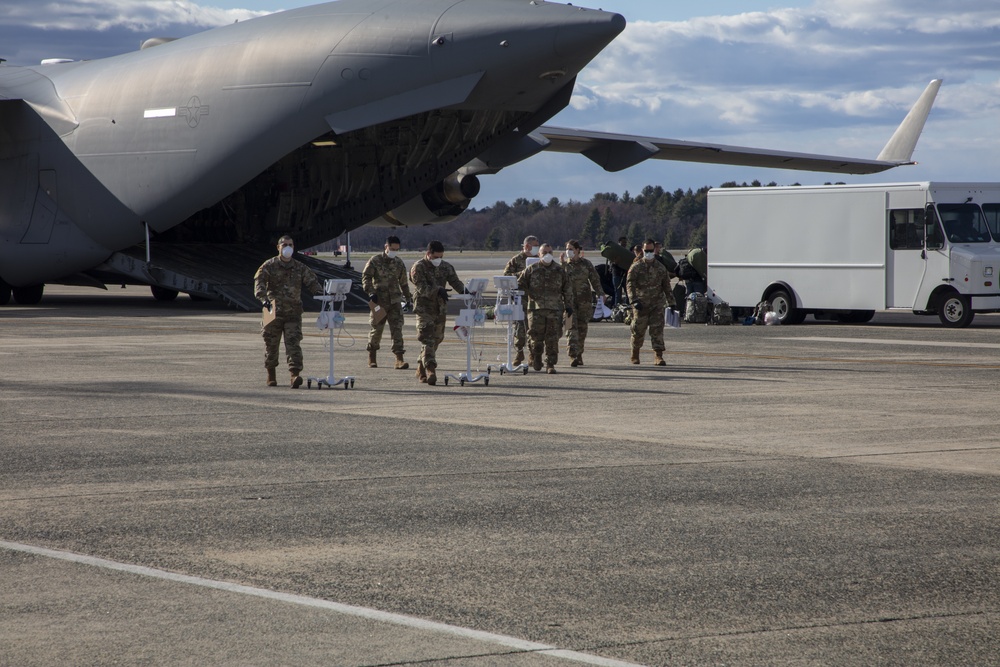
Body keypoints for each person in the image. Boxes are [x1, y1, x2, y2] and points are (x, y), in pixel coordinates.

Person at [253, 235, 323, 387]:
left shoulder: (299, 266)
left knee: (293, 344)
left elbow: (311, 280)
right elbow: (259, 282)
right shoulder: (269, 265)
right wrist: (263, 298)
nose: (288, 247)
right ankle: (271, 375)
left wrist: (318, 291)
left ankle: (295, 375)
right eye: (284, 244)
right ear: (278, 247)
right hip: (273, 311)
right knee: (271, 345)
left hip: (293, 313)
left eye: (290, 244)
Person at [409, 240, 466, 385]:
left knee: (437, 339)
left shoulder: (446, 266)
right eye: (435, 257)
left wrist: (466, 292)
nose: (438, 260)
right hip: (424, 308)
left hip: (440, 308)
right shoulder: (418, 267)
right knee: (426, 337)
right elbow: (421, 287)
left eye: (440, 257)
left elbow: (455, 282)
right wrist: (437, 290)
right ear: (428, 254)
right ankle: (431, 370)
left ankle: (420, 368)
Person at [517, 243, 573, 374]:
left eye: (549, 252)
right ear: (539, 254)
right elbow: (520, 286)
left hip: (554, 310)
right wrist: (523, 304)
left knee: (552, 338)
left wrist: (569, 306)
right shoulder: (531, 269)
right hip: (536, 310)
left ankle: (550, 364)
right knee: (535, 337)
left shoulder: (560, 271)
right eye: (544, 252)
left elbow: (567, 289)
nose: (547, 255)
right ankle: (536, 356)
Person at [361, 235, 413, 370]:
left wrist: (408, 298)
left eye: (397, 249)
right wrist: (371, 292)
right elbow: (366, 277)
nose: (394, 251)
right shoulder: (375, 260)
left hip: (395, 302)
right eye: (392, 248)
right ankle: (372, 356)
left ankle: (399, 359)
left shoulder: (398, 263)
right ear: (386, 247)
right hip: (379, 302)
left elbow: (404, 283)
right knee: (376, 330)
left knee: (397, 329)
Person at [626, 238, 676, 366]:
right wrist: (634, 300)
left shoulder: (660, 268)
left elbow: (666, 285)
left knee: (657, 330)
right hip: (641, 304)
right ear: (642, 250)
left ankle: (658, 356)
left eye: (650, 250)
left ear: (654, 250)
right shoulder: (636, 267)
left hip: (656, 304)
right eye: (646, 250)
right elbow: (630, 284)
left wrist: (671, 302)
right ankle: (635, 354)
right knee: (637, 330)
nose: (648, 252)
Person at [562, 239, 605, 367]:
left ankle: (579, 353)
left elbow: (595, 280)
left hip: (584, 302)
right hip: (568, 304)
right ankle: (572, 355)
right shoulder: (563, 266)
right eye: (567, 249)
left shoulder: (586, 264)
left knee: (582, 328)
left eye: (571, 249)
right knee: (570, 328)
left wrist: (601, 294)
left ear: (577, 250)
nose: (568, 251)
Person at [503, 235, 539, 366]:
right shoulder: (516, 260)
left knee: (534, 328)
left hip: (536, 299)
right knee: (520, 327)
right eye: (535, 245)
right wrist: (523, 273)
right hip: (520, 299)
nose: (537, 248)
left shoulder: (539, 259)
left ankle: (532, 354)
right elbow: (506, 277)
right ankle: (519, 352)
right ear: (527, 246)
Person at [609, 235, 629, 307]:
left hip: (625, 275)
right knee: (618, 293)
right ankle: (617, 309)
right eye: (623, 242)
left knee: (628, 293)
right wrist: (615, 262)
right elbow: (611, 264)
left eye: (625, 242)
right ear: (619, 242)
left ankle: (627, 308)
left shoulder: (627, 252)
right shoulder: (614, 252)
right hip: (616, 274)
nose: (624, 244)